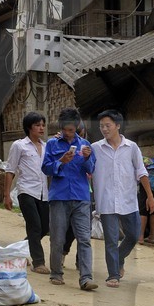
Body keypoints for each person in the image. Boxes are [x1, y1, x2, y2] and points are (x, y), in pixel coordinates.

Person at [90, 110, 153, 288]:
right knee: (110, 240)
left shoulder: (131, 147)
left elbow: (141, 171)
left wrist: (149, 196)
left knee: (133, 235)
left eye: (107, 125)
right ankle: (113, 275)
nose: (104, 129)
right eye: (101, 126)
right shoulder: (95, 148)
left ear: (118, 125)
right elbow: (86, 164)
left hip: (128, 200)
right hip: (106, 201)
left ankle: (119, 257)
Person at [41, 110, 96, 290]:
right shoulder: (52, 144)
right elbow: (46, 169)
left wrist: (87, 157)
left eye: (72, 130)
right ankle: (56, 273)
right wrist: (61, 161)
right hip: (59, 196)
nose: (68, 133)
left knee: (84, 238)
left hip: (81, 196)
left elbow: (91, 169)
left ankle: (86, 278)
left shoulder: (86, 145)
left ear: (77, 126)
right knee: (57, 237)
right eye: (65, 130)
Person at [7, 112, 49, 270]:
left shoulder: (46, 146)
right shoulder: (19, 146)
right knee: (35, 226)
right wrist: (7, 195)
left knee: (45, 227)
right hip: (26, 191)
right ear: (29, 127)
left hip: (43, 192)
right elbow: (10, 170)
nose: (41, 128)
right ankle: (39, 262)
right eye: (38, 125)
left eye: (43, 125)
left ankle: (18, 251)